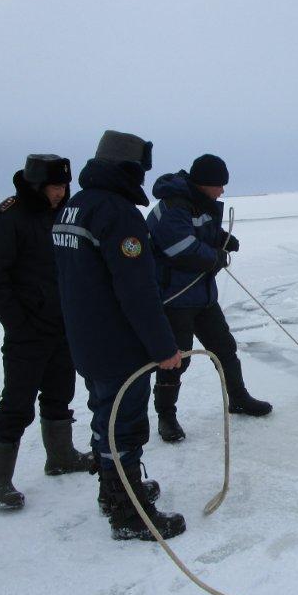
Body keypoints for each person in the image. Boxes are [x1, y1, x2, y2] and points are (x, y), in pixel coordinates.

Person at [52, 130, 185, 541]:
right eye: (141, 170)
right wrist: (164, 347)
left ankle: (116, 492)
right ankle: (128, 514)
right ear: (128, 169)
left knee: (104, 417)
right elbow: (137, 290)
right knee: (122, 425)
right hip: (116, 343)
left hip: (86, 337)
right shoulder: (118, 213)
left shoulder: (74, 207)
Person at [0, 154, 93, 510]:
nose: (62, 192)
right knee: (16, 405)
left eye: (65, 185)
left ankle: (61, 457)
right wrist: (19, 323)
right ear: (38, 185)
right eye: (57, 186)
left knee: (59, 394)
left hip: (62, 325)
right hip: (27, 331)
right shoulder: (6, 219)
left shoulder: (61, 214)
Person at [146, 154, 271, 443]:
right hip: (175, 297)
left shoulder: (198, 202)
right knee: (176, 360)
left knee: (225, 347)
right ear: (205, 183)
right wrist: (215, 256)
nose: (222, 191)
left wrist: (223, 239)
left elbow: (204, 232)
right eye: (219, 185)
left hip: (201, 296)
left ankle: (238, 398)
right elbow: (182, 248)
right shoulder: (175, 205)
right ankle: (166, 416)